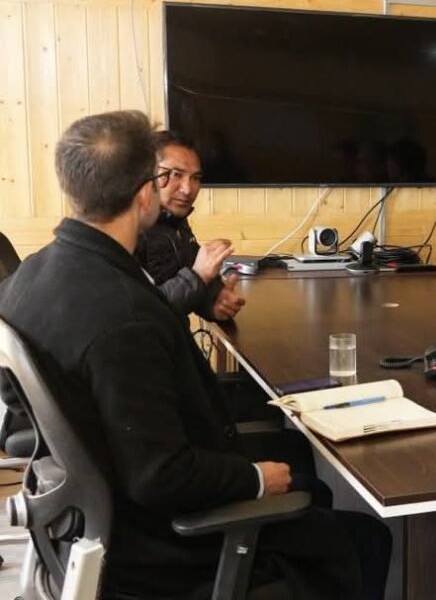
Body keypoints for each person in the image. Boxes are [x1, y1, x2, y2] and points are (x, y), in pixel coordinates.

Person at [0, 111, 390, 599]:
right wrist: (252, 478)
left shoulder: (27, 278)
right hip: (162, 547)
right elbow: (160, 476)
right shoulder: (125, 317)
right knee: (365, 538)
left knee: (305, 480)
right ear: (146, 194)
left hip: (86, 522)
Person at [134, 130, 245, 321]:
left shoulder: (175, 221)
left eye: (195, 178)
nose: (187, 189)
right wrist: (199, 275)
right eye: (176, 174)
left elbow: (186, 285)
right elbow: (142, 314)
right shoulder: (129, 230)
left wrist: (214, 302)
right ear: (148, 173)